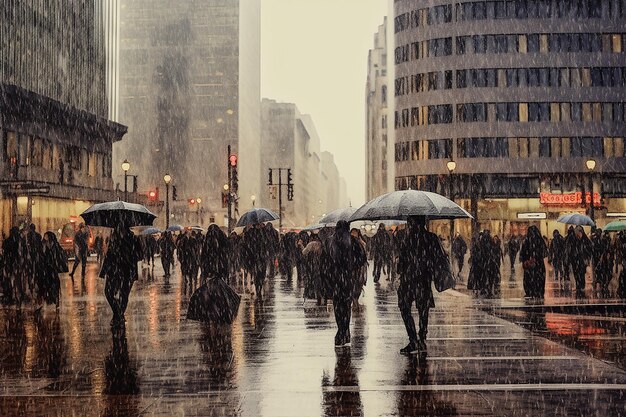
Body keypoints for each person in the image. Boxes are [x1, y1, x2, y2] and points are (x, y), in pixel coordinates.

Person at [397, 216, 447, 354]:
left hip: (408, 280)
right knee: (423, 309)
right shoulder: (431, 238)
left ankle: (413, 339)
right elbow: (439, 258)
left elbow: (401, 263)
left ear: (412, 223)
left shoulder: (407, 239)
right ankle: (422, 337)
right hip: (424, 279)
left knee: (404, 307)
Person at [328, 221, 366, 346]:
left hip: (335, 278)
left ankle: (341, 331)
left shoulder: (331, 241)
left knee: (338, 305)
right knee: (346, 304)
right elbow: (362, 258)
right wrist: (352, 266)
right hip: (348, 277)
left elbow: (324, 262)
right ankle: (346, 332)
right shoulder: (353, 241)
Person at [100, 224, 142, 326]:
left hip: (127, 271)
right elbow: (109, 256)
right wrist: (104, 271)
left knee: (124, 294)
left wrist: (128, 255)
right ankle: (119, 315)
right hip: (115, 271)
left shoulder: (133, 239)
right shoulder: (114, 239)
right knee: (109, 292)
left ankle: (118, 317)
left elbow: (140, 255)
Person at [36, 232, 68, 309]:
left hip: (53, 268)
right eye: (44, 236)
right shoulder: (42, 244)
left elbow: (60, 254)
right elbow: (40, 255)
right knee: (45, 284)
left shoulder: (55, 245)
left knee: (55, 284)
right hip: (45, 268)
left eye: (46, 236)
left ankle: (56, 301)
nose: (44, 237)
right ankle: (46, 300)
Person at [519, 226, 548, 299]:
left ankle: (530, 292)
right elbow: (544, 253)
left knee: (529, 278)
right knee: (539, 278)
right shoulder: (540, 241)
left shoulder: (526, 241)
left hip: (530, 265)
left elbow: (522, 254)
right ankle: (539, 292)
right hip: (538, 265)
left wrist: (526, 260)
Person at [569, 226, 592, 297]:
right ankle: (578, 286)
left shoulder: (585, 239)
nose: (578, 232)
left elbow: (589, 248)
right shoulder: (573, 239)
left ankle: (581, 286)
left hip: (582, 260)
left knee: (581, 273)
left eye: (580, 230)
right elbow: (570, 249)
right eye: (577, 231)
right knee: (576, 273)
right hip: (575, 260)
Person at [2, 227, 22, 305]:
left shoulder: (7, 241)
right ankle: (18, 297)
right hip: (16, 263)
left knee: (8, 280)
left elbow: (4, 252)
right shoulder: (19, 241)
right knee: (17, 280)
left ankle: (9, 296)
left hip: (8, 263)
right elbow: (20, 252)